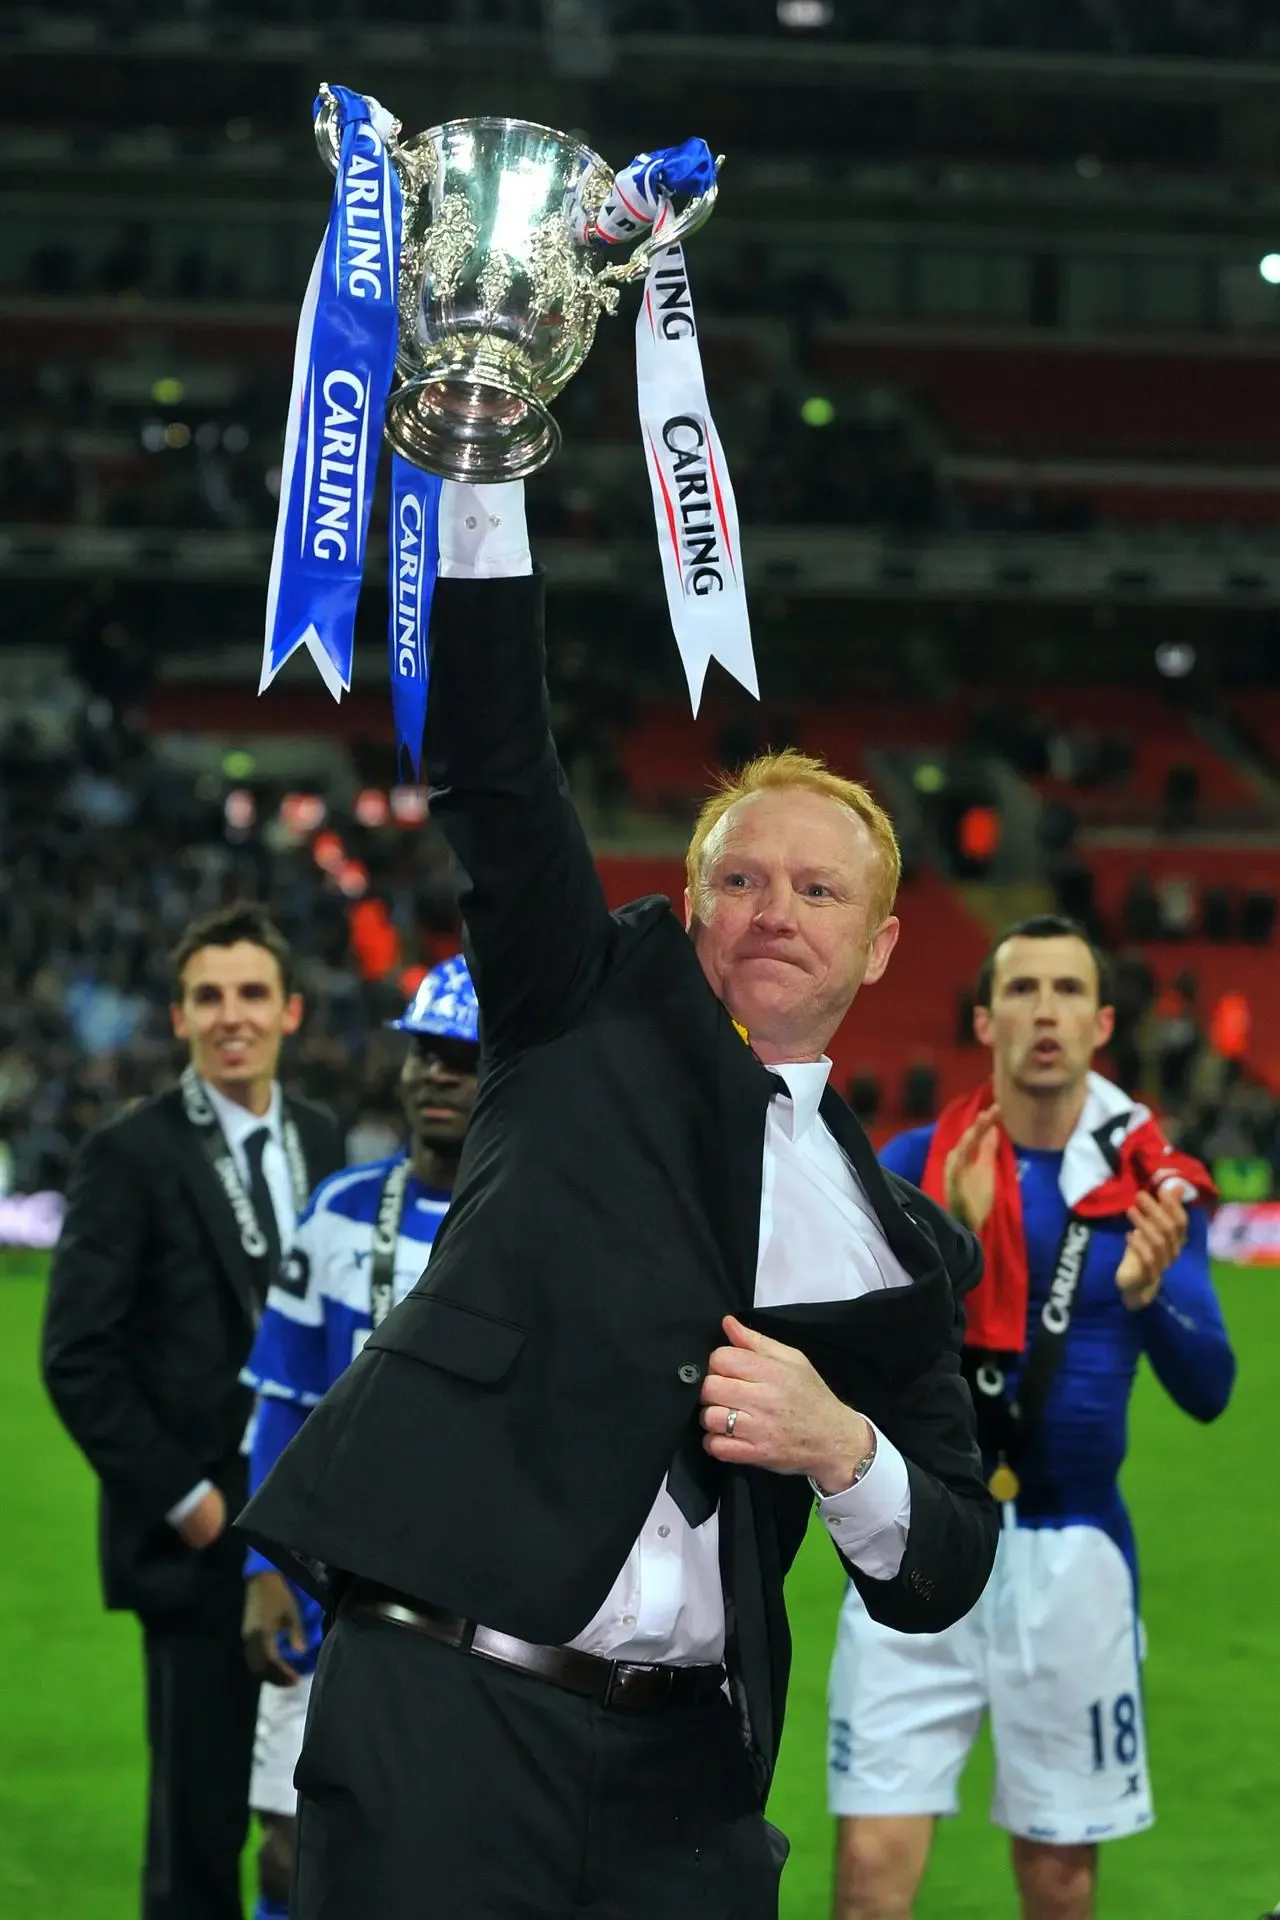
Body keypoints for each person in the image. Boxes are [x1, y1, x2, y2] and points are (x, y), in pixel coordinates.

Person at [239, 477, 1000, 1920]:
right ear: (690, 904)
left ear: (887, 946)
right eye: (742, 878)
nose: (776, 909)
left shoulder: (901, 1252)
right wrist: (485, 466)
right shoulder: (569, 1006)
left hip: (687, 1790)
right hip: (444, 1723)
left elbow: (948, 1558)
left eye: (821, 893)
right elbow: (492, 762)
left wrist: (843, 1446)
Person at [828, 914, 1235, 1920]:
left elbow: (1208, 1385)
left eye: (1064, 992)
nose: (1042, 1011)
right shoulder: (918, 1161)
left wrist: (1149, 1295)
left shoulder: (1147, 1185)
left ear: (1100, 1025)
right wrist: (953, 1247)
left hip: (1074, 1554)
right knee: (870, 1878)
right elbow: (857, 1361)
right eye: (1019, 990)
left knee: (1056, 1882)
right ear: (983, 1018)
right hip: (917, 1535)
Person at [42, 902, 343, 1920]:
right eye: (207, 997)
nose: (231, 1016)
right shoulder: (129, 1155)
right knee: (198, 1842)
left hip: (311, 1551)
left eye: (251, 994)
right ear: (177, 1018)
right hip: (201, 1549)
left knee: (319, 1824)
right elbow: (75, 1358)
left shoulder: (319, 1135)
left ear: (290, 1011)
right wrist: (186, 1497)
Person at [238, 957, 480, 1920]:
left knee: (449, 1861)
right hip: (327, 1584)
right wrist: (262, 1574)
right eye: (424, 1053)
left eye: (462, 1057)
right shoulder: (340, 1210)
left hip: (472, 1605)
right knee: (286, 1848)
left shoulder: (528, 1227)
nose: (436, 1075)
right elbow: (283, 1400)